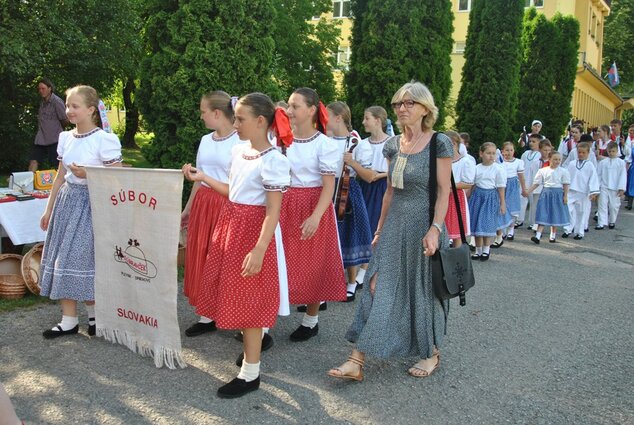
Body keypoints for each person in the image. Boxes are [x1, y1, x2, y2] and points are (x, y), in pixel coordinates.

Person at [328, 81, 452, 380]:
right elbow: (388, 193)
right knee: (374, 285)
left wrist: (435, 228)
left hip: (424, 226)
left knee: (423, 291)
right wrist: (380, 229)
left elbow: (444, 190)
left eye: (409, 103)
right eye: (398, 103)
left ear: (425, 109)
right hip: (394, 225)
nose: (402, 108)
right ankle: (356, 361)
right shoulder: (393, 145)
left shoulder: (439, 143)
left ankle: (431, 352)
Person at [186, 93, 291, 398]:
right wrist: (203, 177)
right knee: (234, 295)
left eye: (241, 119)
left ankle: (250, 373)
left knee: (250, 301)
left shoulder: (274, 161)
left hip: (253, 233)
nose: (236, 123)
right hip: (231, 227)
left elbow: (273, 211)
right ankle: (249, 361)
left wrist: (259, 249)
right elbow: (233, 192)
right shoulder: (239, 151)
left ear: (260, 122)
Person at [39, 85, 122, 338]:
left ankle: (96, 318)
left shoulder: (104, 140)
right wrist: (48, 209)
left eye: (75, 106)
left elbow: (118, 178)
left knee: (86, 259)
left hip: (92, 204)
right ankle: (69, 319)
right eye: (67, 105)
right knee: (62, 258)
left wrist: (90, 174)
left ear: (90, 109)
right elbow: (60, 177)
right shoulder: (66, 138)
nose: (69, 110)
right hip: (66, 204)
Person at [281, 87, 346, 342]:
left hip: (313, 204)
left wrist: (317, 216)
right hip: (285, 203)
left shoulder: (325, 144)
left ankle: (311, 320)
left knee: (313, 264)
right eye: (288, 105)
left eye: (295, 106)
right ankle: (261, 326)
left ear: (311, 110)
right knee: (280, 261)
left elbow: (329, 185)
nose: (289, 111)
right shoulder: (282, 141)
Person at [180, 91, 244, 337]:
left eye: (203, 111)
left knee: (228, 260)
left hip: (229, 203)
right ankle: (207, 315)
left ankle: (238, 318)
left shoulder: (240, 142)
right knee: (203, 255)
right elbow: (199, 177)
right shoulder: (206, 140)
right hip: (204, 204)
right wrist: (188, 209)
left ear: (217, 113)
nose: (201, 116)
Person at [327, 101, 373, 302]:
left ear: (338, 118)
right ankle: (325, 286)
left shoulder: (356, 143)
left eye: (327, 116)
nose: (323, 120)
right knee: (327, 239)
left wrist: (352, 162)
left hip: (348, 189)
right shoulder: (325, 140)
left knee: (349, 235)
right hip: (328, 189)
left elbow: (368, 175)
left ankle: (352, 282)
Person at [468, 142, 507, 261]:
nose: (491, 156)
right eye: (488, 153)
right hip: (477, 197)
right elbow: (472, 185)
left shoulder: (498, 169)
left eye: (493, 153)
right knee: (477, 224)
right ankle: (478, 250)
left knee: (487, 224)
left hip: (490, 197)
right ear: (481, 153)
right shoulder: (476, 168)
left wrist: (502, 203)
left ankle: (486, 250)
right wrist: (468, 197)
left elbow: (501, 187)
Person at [527, 152, 570, 243]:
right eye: (555, 159)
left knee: (555, 213)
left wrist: (565, 196)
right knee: (543, 213)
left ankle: (552, 235)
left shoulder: (563, 171)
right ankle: (538, 236)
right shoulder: (543, 170)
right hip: (546, 193)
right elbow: (536, 183)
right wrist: (528, 191)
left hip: (557, 193)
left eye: (559, 159)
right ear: (549, 159)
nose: (557, 161)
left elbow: (566, 184)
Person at [30, 78, 69, 172]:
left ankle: (60, 185)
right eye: (39, 89)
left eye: (43, 88)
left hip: (54, 138)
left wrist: (57, 130)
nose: (41, 91)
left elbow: (65, 119)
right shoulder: (42, 103)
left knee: (56, 164)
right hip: (41, 138)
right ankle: (28, 183)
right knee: (33, 160)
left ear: (50, 88)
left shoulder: (57, 102)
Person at [563, 142, 599, 240]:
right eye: (579, 152)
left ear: (588, 154)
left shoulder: (590, 165)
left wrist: (593, 192)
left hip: (584, 192)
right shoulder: (572, 164)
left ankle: (579, 232)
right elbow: (567, 176)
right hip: (571, 190)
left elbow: (593, 178)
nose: (581, 154)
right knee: (568, 209)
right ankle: (568, 229)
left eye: (583, 152)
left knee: (581, 212)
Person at [444, 130, 474, 247]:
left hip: (456, 197)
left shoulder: (465, 161)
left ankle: (456, 259)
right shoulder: (442, 161)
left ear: (454, 144)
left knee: (457, 233)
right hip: (442, 196)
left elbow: (468, 183)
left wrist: (449, 186)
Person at [596, 142, 627, 230]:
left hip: (615, 187)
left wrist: (621, 188)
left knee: (614, 206)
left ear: (617, 151)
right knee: (602, 205)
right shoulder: (603, 162)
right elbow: (599, 175)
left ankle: (612, 221)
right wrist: (597, 187)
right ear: (607, 151)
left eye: (613, 151)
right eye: (610, 151)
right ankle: (601, 223)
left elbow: (623, 175)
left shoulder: (621, 163)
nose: (611, 153)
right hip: (604, 186)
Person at [498, 142, 525, 241]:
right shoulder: (500, 162)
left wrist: (524, 188)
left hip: (512, 186)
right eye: (507, 150)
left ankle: (511, 229)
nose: (509, 152)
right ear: (502, 151)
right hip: (502, 186)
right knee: (503, 207)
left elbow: (521, 177)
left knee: (512, 208)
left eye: (511, 150)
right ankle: (503, 230)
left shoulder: (518, 162)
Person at [526, 139, 553, 230]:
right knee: (535, 206)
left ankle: (542, 224)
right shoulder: (536, 163)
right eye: (545, 150)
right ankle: (534, 223)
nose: (547, 152)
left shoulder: (552, 163)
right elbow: (530, 175)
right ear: (540, 150)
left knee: (545, 207)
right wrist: (528, 188)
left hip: (548, 188)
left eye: (549, 150)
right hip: (536, 188)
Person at [517, 134, 542, 228]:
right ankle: (520, 219)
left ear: (539, 143)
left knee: (533, 202)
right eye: (530, 141)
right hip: (524, 179)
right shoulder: (526, 153)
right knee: (522, 199)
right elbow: (521, 167)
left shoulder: (540, 155)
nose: (531, 143)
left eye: (534, 141)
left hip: (534, 182)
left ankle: (533, 222)